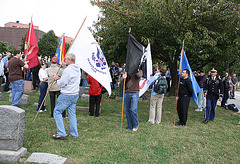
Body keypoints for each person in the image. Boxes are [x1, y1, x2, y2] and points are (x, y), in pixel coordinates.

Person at [52, 53, 80, 139]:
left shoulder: (67, 71)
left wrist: (57, 79)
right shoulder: (78, 69)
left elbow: (63, 83)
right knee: (72, 114)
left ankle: (61, 133)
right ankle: (74, 133)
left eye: (66, 59)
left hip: (66, 94)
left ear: (69, 60)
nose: (65, 60)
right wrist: (64, 67)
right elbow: (70, 75)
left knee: (57, 111)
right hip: (75, 94)